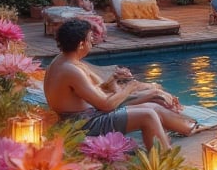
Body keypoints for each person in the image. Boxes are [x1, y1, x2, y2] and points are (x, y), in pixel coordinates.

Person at [43, 19, 200, 149]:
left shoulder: (62, 60)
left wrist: (114, 80)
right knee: (148, 114)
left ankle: (189, 127)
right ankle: (164, 160)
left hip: (84, 116)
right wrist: (130, 87)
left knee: (152, 106)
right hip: (84, 124)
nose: (93, 43)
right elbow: (106, 105)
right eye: (90, 40)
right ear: (81, 44)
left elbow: (95, 92)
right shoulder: (71, 70)